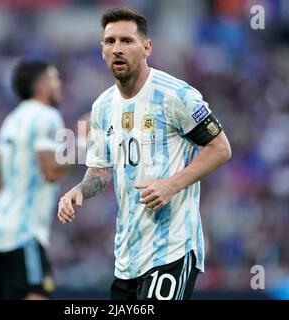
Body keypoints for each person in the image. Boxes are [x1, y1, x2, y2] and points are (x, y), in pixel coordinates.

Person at [58, 7, 232, 300]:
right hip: (127, 259)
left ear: (147, 47)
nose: (117, 49)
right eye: (110, 41)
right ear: (102, 50)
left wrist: (171, 185)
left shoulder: (176, 95)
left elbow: (221, 148)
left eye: (127, 41)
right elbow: (100, 172)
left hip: (172, 249)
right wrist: (78, 190)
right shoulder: (102, 107)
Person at [0, 60, 68, 300]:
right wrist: (84, 145)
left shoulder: (11, 119)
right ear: (42, 86)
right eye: (54, 79)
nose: (59, 84)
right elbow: (51, 171)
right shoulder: (47, 116)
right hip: (24, 232)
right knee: (37, 294)